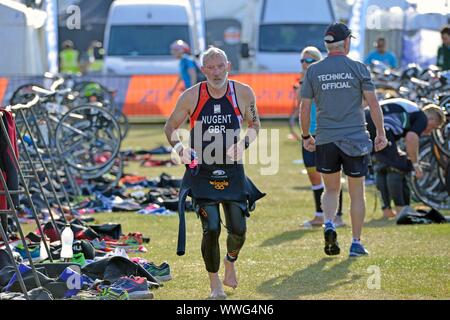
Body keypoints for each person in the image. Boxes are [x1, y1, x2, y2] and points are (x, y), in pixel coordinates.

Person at [164, 47, 264, 299]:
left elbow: (254, 125)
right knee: (211, 228)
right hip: (202, 171)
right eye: (211, 67)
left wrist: (243, 144)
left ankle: (230, 261)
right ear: (202, 70)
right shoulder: (191, 96)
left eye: (220, 66)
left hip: (232, 170)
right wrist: (180, 148)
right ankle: (214, 285)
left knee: (238, 229)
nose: (216, 72)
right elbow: (170, 126)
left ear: (228, 65)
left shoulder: (242, 92)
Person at [300, 22, 388, 257]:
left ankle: (329, 223)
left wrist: (306, 135)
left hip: (326, 138)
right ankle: (356, 243)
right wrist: (381, 133)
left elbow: (304, 108)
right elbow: (373, 104)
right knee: (357, 192)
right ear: (347, 42)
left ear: (327, 45)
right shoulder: (358, 68)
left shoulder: (313, 71)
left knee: (330, 189)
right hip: (355, 138)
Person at [365, 99, 446, 218]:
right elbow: (411, 138)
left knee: (383, 166)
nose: (430, 132)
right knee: (398, 167)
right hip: (381, 124)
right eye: (433, 127)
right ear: (432, 119)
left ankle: (387, 210)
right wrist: (415, 164)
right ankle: (401, 209)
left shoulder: (411, 112)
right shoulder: (422, 117)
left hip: (367, 119)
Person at [295, 46, 345, 228]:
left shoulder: (324, 78)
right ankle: (319, 215)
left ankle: (337, 216)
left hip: (326, 131)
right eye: (302, 60)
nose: (304, 64)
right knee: (313, 175)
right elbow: (298, 104)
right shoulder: (303, 80)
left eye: (308, 60)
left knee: (331, 176)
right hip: (308, 133)